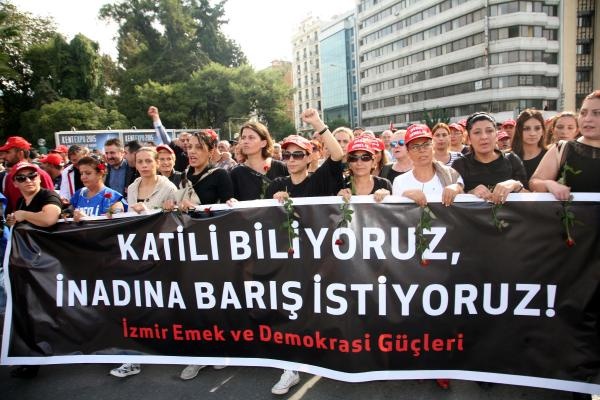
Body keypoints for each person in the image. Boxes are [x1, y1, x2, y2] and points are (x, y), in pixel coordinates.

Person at [265, 108, 344, 396]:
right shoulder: (277, 184)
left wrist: (317, 123)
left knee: (324, 311)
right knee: (291, 313)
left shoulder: (319, 180)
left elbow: (337, 155)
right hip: (289, 261)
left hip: (322, 260)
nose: (291, 160)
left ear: (310, 157)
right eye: (287, 155)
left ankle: (331, 359)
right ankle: (291, 369)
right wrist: (274, 201)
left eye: (298, 154)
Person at [5, 162, 62, 379]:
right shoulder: (22, 201)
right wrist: (15, 219)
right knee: (31, 313)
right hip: (32, 266)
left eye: (32, 176)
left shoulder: (47, 196)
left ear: (40, 177)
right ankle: (32, 359)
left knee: (44, 313)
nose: (28, 181)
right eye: (22, 178)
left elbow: (49, 218)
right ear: (15, 183)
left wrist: (23, 215)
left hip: (53, 266)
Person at [530, 89, 600, 198]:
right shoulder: (561, 148)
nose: (587, 119)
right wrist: (548, 184)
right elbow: (534, 183)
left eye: (597, 113)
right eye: (583, 113)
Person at [452, 112, 527, 204]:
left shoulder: (512, 160)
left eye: (489, 131)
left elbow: (532, 199)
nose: (484, 137)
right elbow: (451, 200)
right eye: (477, 132)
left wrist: (515, 185)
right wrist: (470, 193)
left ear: (496, 135)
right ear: (469, 138)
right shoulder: (460, 165)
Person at [391, 124, 463, 208]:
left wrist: (457, 188)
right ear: (408, 152)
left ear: (433, 146)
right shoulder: (399, 182)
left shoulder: (451, 175)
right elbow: (397, 213)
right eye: (415, 147)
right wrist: (403, 197)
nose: (421, 150)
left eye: (426, 144)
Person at [230, 121, 288, 201]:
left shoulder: (282, 167)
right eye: (243, 138)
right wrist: (231, 201)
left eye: (251, 137)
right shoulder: (235, 173)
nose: (245, 141)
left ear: (263, 143)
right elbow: (231, 201)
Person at [0, 136, 54, 213]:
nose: (4, 156)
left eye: (8, 152)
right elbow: (9, 207)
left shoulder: (40, 174)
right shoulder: (9, 176)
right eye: (21, 178)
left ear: (20, 154)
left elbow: (52, 202)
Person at [70, 156, 126, 221]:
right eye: (81, 173)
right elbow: (67, 213)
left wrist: (87, 219)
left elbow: (116, 223)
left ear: (100, 173)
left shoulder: (113, 198)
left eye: (88, 173)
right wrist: (65, 214)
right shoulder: (79, 194)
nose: (83, 177)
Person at [127, 147, 177, 213]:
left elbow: (175, 216)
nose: (144, 165)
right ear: (136, 165)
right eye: (140, 162)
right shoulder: (131, 188)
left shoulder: (169, 188)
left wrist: (146, 211)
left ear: (157, 163)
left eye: (148, 161)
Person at [510, 109, 547, 186]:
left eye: (537, 128)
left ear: (543, 131)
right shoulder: (507, 157)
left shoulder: (551, 155)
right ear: (518, 130)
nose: (532, 133)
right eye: (526, 129)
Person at [148, 106, 189, 172]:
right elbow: (164, 137)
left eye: (188, 140)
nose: (185, 142)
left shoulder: (199, 154)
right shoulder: (177, 152)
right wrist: (156, 117)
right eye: (182, 140)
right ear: (178, 142)